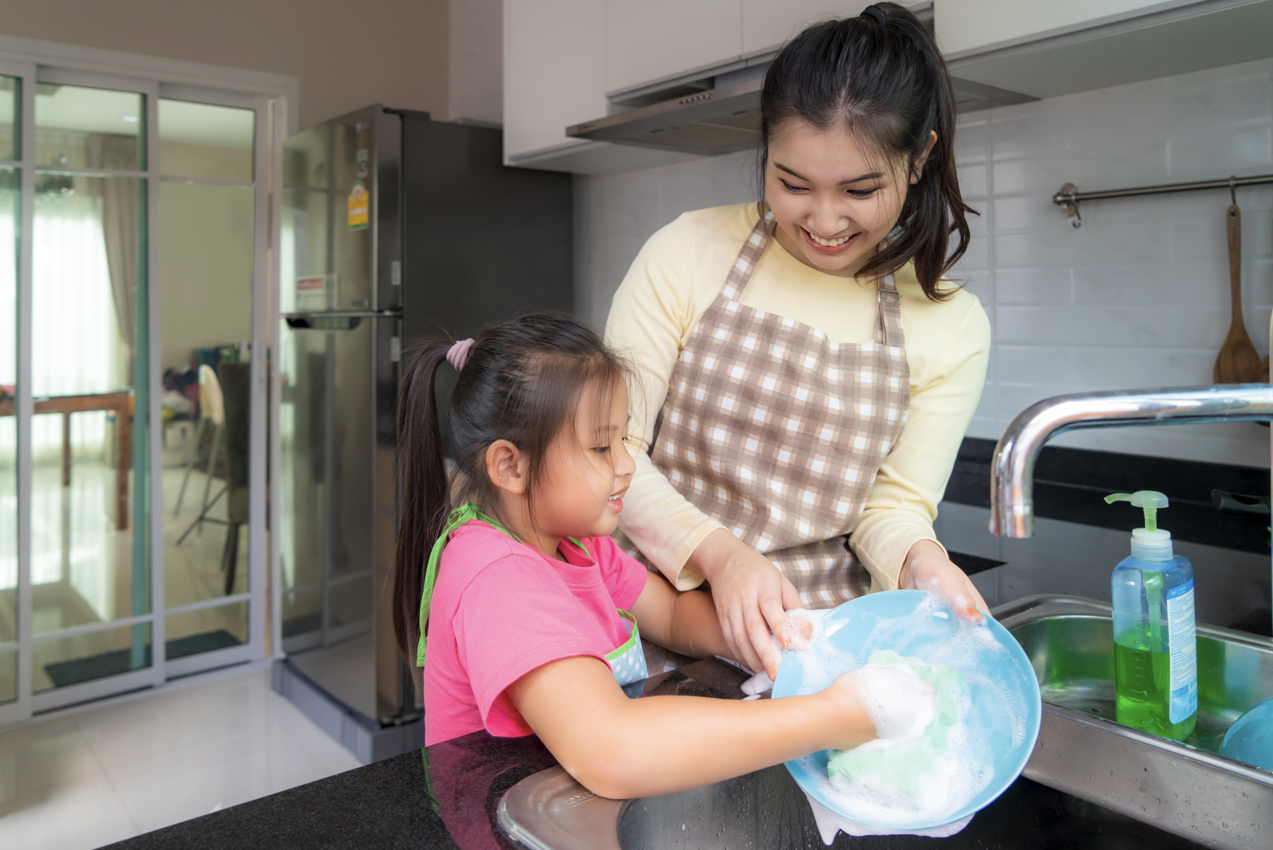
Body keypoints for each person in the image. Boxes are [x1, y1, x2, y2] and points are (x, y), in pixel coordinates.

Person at [606, 3, 992, 682]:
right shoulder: (686, 253)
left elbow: (892, 509)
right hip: (650, 622)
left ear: (920, 157)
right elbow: (611, 453)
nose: (823, 220)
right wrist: (719, 555)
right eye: (791, 183)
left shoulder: (950, 324)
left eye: (860, 189)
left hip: (814, 655)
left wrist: (921, 561)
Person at [392, 312, 930, 799]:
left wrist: (785, 639)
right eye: (602, 447)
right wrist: (832, 716)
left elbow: (669, 614)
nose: (627, 465)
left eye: (624, 439)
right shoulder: (498, 579)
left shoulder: (575, 543)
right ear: (509, 466)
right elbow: (614, 751)